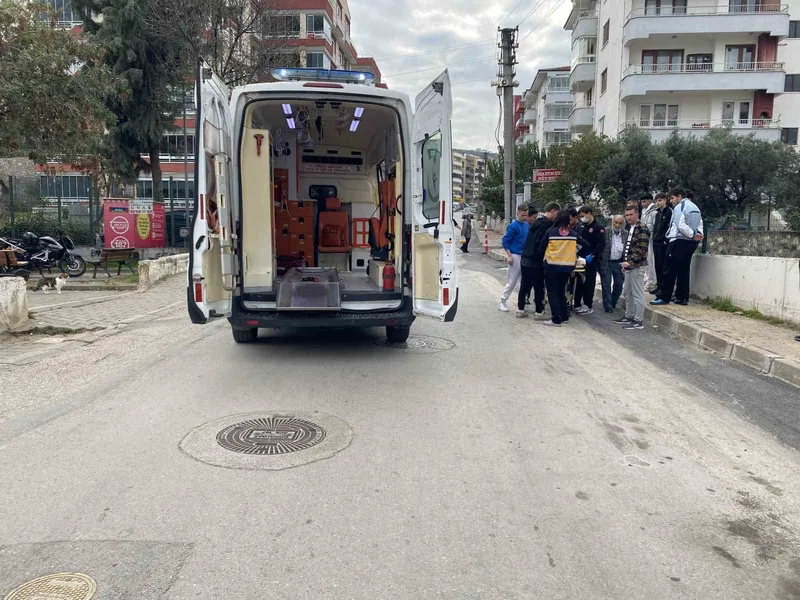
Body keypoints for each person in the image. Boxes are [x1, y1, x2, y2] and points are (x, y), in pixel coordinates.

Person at [536, 209, 591, 327]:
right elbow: (586, 245)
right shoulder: (573, 234)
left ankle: (556, 319)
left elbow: (540, 249)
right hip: (567, 267)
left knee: (552, 292)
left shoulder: (551, 232)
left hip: (551, 266)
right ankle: (564, 316)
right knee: (561, 291)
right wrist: (574, 251)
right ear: (568, 220)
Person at [651, 187, 704, 306]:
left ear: (679, 196)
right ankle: (682, 297)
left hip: (678, 240)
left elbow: (680, 225)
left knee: (669, 270)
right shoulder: (695, 207)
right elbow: (700, 222)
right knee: (683, 270)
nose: (671, 201)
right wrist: (698, 234)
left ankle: (664, 297)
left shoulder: (680, 206)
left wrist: (692, 234)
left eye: (672, 198)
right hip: (691, 242)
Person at [518, 202, 561, 318]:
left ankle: (520, 309)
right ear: (553, 211)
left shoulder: (536, 222)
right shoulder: (548, 225)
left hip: (525, 258)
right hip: (536, 259)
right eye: (557, 213)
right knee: (538, 286)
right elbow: (542, 243)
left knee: (524, 285)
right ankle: (539, 312)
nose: (557, 216)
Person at [614, 201, 650, 330]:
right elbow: (628, 247)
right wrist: (626, 263)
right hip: (629, 265)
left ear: (637, 214)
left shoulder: (642, 228)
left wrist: (630, 262)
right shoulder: (629, 228)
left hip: (638, 266)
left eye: (631, 214)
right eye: (627, 215)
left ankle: (638, 321)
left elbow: (642, 248)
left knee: (637, 294)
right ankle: (628, 316)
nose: (628, 217)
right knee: (627, 293)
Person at [573, 206, 605, 315]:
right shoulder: (582, 226)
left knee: (589, 283)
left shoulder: (598, 227)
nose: (582, 218)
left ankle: (588, 305)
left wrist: (592, 255)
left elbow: (601, 244)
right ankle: (577, 304)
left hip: (592, 259)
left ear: (589, 214)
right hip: (581, 258)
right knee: (579, 282)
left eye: (583, 216)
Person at [498, 205, 530, 312]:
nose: (525, 217)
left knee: (523, 281)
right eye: (523, 215)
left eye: (526, 215)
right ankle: (502, 300)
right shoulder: (513, 226)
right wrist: (509, 256)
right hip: (515, 255)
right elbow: (505, 241)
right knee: (512, 281)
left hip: (524, 256)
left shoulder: (526, 225)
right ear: (517, 214)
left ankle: (521, 302)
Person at [600, 215, 627, 313]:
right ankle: (608, 306)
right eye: (616, 222)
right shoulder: (605, 231)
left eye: (620, 223)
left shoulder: (625, 233)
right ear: (612, 222)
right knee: (606, 284)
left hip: (619, 262)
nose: (617, 225)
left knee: (619, 284)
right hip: (606, 261)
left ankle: (613, 302)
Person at [651, 192, 673, 297]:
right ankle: (659, 286)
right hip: (656, 242)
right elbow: (656, 227)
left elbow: (669, 227)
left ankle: (663, 288)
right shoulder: (657, 213)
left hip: (663, 243)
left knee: (663, 266)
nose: (658, 203)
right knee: (657, 265)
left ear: (665, 200)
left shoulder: (669, 212)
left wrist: (665, 240)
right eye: (656, 201)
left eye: (660, 200)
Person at [641, 193, 658, 293]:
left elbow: (654, 227)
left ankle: (651, 283)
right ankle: (647, 280)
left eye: (644, 202)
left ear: (650, 201)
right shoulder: (644, 211)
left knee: (651, 262)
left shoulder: (654, 212)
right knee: (646, 262)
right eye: (642, 202)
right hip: (645, 239)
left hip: (651, 240)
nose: (642, 204)